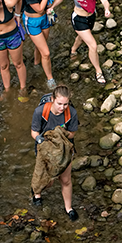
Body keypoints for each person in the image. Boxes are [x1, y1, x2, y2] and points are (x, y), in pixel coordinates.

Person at [49, 0, 111, 84]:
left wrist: (106, 9)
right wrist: (52, 7)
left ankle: (73, 50)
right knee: (93, 45)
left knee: (82, 37)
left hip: (91, 16)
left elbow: (104, 0)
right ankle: (98, 71)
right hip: (78, 19)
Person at [30, 85, 78, 220]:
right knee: (47, 179)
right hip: (45, 149)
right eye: (59, 104)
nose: (62, 108)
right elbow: (34, 131)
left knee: (65, 179)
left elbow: (72, 133)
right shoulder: (40, 112)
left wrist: (60, 134)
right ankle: (37, 193)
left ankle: (69, 208)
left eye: (65, 104)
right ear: (52, 99)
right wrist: (38, 138)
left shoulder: (71, 113)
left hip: (64, 150)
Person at [21, 0, 57, 89]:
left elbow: (46, 6)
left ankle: (36, 63)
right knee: (46, 53)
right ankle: (50, 78)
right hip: (32, 22)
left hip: (44, 19)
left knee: (41, 46)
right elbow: (39, 9)